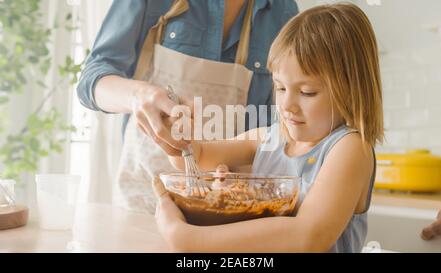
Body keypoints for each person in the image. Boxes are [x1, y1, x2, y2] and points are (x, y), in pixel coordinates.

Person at [152, 2, 384, 252]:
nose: (287, 105)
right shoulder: (271, 138)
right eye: (281, 87)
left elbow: (307, 236)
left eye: (307, 92)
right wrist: (176, 135)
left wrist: (185, 238)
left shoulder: (349, 148)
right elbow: (199, 156)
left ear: (351, 91)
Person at [76, 0, 299, 213]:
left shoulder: (282, 11)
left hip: (232, 206)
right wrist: (138, 95)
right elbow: (91, 82)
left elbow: (278, 133)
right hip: (145, 199)